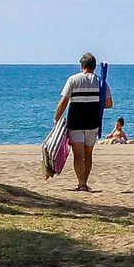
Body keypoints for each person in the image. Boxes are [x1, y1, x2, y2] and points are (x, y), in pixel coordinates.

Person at [54, 53, 112, 192]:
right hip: (93, 122)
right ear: (94, 66)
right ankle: (84, 182)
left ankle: (81, 184)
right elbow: (109, 104)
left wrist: (57, 119)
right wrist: (94, 103)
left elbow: (64, 101)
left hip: (76, 122)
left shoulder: (73, 80)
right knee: (88, 155)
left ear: (81, 66)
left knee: (78, 155)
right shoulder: (101, 82)